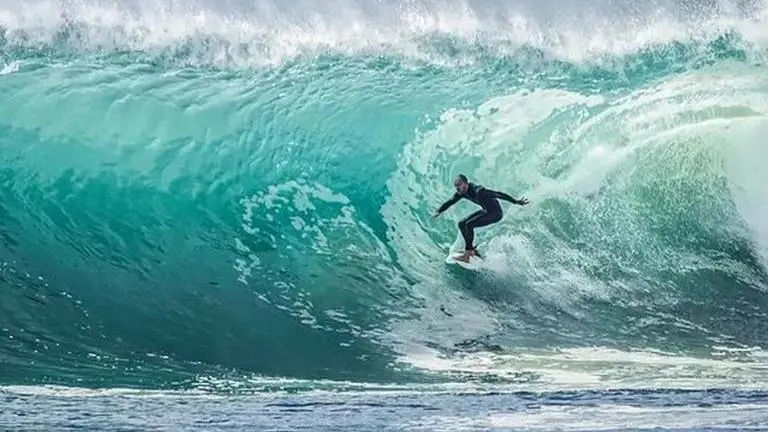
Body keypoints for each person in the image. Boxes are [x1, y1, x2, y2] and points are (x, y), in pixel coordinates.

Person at [433, 174, 529, 262]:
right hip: (486, 211)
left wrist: (515, 201)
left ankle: (467, 255)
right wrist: (439, 211)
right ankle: (471, 250)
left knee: (469, 224)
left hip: (496, 214)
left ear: (466, 183)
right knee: (461, 224)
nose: (458, 189)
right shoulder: (461, 192)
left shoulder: (479, 191)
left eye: (459, 186)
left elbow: (498, 194)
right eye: (456, 187)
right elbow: (451, 201)